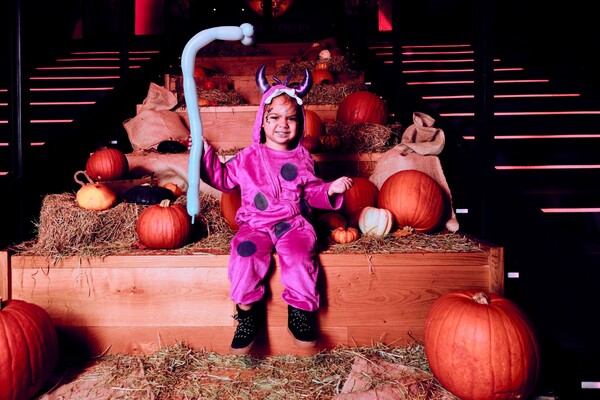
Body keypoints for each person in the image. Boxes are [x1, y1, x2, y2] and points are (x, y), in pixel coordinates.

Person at [198, 65, 354, 355]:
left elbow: (310, 192)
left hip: (292, 224)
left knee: (298, 255)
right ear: (262, 121)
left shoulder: (303, 158)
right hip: (255, 224)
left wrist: (329, 190)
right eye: (275, 117)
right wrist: (204, 154)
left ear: (300, 123)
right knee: (244, 254)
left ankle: (300, 312)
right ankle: (246, 313)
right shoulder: (248, 157)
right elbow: (222, 179)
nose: (283, 124)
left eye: (291, 119)